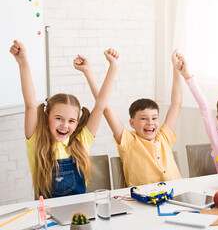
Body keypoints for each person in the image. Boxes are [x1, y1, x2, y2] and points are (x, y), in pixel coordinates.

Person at [10, 40, 119, 198]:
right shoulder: (37, 141)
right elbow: (30, 105)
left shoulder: (81, 142)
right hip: (49, 217)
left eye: (71, 121)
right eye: (59, 118)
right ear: (47, 117)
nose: (64, 125)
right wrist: (23, 62)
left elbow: (101, 104)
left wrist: (113, 67)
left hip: (81, 213)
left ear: (77, 123)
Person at [74, 50, 183, 187]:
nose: (150, 123)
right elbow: (104, 107)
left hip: (177, 199)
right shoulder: (129, 141)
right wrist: (88, 72)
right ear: (132, 122)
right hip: (146, 202)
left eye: (154, 118)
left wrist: (176, 68)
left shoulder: (164, 138)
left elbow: (176, 103)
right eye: (144, 118)